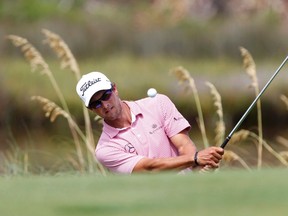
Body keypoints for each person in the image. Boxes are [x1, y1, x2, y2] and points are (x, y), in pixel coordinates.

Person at [76, 71, 224, 174]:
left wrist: (197, 169)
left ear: (115, 89)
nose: (105, 105)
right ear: (90, 109)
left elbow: (183, 144)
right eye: (96, 104)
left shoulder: (158, 103)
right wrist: (196, 159)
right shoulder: (105, 149)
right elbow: (149, 168)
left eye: (106, 95)